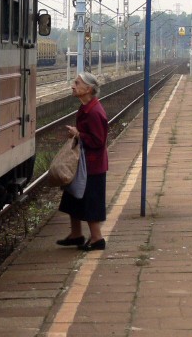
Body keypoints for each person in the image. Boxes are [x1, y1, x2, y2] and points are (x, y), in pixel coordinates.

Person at [55, 71, 108, 251]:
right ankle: (76, 234)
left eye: (77, 83)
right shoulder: (86, 108)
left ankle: (97, 239)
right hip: (83, 163)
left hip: (92, 165)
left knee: (90, 201)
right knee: (73, 196)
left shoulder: (94, 112)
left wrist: (78, 134)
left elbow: (98, 141)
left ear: (88, 89)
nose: (73, 85)